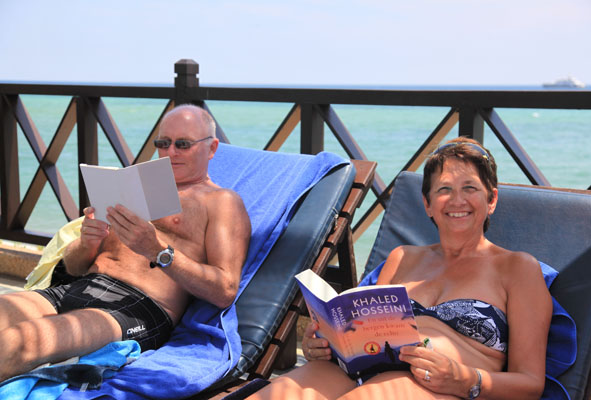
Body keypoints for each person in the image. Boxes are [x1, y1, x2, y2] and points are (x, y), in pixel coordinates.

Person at [250, 137, 552, 399]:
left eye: (470, 187)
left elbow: (530, 384)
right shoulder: (403, 257)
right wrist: (325, 343)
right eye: (444, 189)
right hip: (361, 371)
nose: (457, 200)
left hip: (446, 388)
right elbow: (360, 334)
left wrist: (465, 379)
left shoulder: (517, 268)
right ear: (428, 204)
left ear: (492, 199)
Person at [0, 104, 251, 382]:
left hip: (137, 308)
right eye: (163, 143)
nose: (170, 152)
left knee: (18, 344)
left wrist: (157, 251)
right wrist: (87, 242)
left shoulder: (221, 203)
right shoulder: (134, 185)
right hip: (79, 286)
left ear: (212, 148)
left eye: (183, 144)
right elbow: (74, 266)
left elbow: (225, 288)